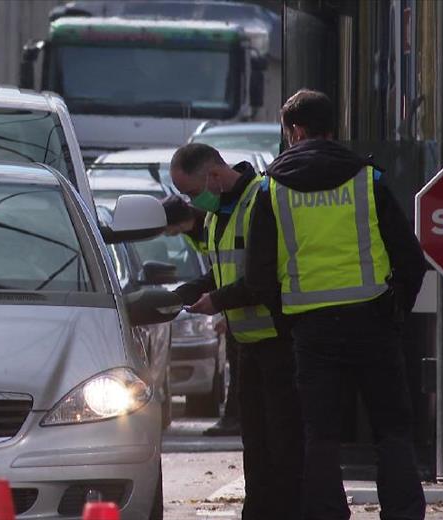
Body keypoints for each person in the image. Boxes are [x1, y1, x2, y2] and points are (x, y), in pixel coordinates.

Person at [245, 89, 427, 520]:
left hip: (311, 330)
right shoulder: (368, 179)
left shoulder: (271, 188)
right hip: (374, 322)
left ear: (296, 130)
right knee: (393, 429)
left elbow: (258, 276)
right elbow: (410, 259)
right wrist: (395, 309)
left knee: (320, 435)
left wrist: (287, 319)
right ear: (331, 128)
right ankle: (402, 512)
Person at [170, 143, 304, 520]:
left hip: (279, 340)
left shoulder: (259, 200)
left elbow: (261, 281)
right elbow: (224, 270)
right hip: (249, 343)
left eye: (193, 192)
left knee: (283, 443)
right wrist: (191, 289)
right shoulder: (219, 214)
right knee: (256, 443)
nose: (192, 202)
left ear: (213, 175)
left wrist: (214, 301)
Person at [161, 194, 240, 434]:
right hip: (231, 299)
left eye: (170, 229)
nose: (169, 234)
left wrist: (225, 311)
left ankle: (235, 419)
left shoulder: (209, 224)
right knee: (237, 365)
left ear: (181, 221)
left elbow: (228, 272)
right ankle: (235, 418)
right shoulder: (195, 231)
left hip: (240, 301)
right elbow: (217, 271)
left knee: (239, 367)